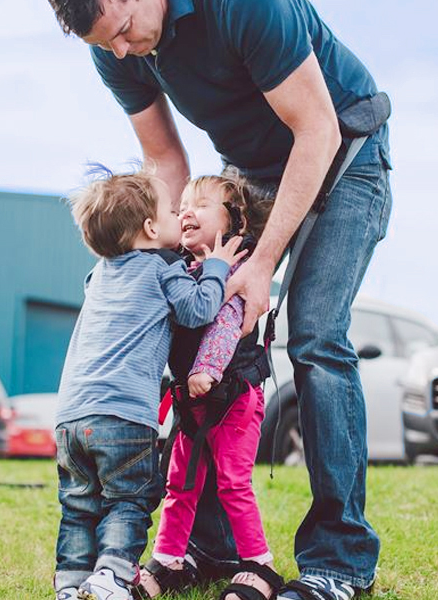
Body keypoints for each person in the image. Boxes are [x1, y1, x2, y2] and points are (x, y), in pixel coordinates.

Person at [47, 2, 393, 599]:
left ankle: (341, 562)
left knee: (313, 335)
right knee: (194, 326)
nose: (123, 52)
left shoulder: (242, 6)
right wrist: (152, 265)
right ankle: (205, 549)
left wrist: (260, 266)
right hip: (244, 176)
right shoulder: (118, 49)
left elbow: (317, 129)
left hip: (340, 153)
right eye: (107, 46)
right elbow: (165, 162)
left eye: (125, 31)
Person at [54, 166, 248, 600]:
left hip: (70, 418)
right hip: (124, 415)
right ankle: (112, 577)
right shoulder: (163, 268)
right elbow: (198, 310)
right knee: (129, 501)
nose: (180, 216)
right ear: (148, 227)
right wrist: (216, 267)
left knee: (79, 507)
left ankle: (70, 585)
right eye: (171, 210)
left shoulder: (98, 275)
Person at [138, 173, 279, 600]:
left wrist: (208, 369)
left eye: (200, 204)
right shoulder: (185, 269)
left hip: (231, 398)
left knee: (233, 481)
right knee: (179, 484)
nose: (186, 212)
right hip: (190, 403)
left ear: (235, 222)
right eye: (183, 205)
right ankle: (169, 557)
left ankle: (258, 564)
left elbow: (227, 320)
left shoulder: (239, 267)